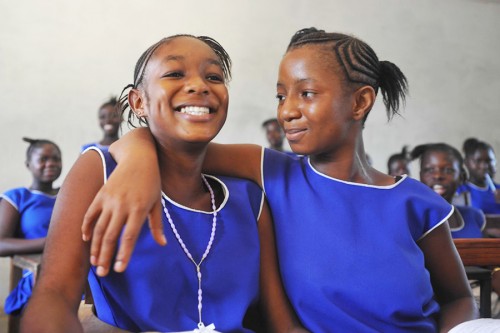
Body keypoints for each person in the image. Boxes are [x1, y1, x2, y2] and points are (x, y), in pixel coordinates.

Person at [80, 28, 479, 332]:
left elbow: (459, 297)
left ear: (360, 102)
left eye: (305, 94)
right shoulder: (272, 171)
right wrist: (135, 161)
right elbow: (168, 141)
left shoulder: (414, 201)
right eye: (280, 96)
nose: (287, 110)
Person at [21, 34, 303, 333]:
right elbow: (54, 295)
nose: (199, 85)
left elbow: (281, 324)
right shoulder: (102, 172)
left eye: (213, 76)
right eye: (174, 73)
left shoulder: (248, 198)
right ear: (138, 101)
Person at [0, 137, 62, 316]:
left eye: (56, 158)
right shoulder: (17, 197)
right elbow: (1, 244)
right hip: (40, 272)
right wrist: (51, 242)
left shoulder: (68, 193)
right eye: (43, 159)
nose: (50, 163)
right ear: (28, 164)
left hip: (77, 265)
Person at [411, 143, 485, 238]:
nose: (437, 176)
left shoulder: (474, 216)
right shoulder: (411, 220)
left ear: (461, 178)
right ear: (421, 176)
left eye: (448, 170)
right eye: (429, 170)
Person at [456, 138, 500, 214]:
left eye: (489, 160)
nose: (484, 166)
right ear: (467, 163)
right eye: (478, 161)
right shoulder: (459, 192)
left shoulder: (498, 190)